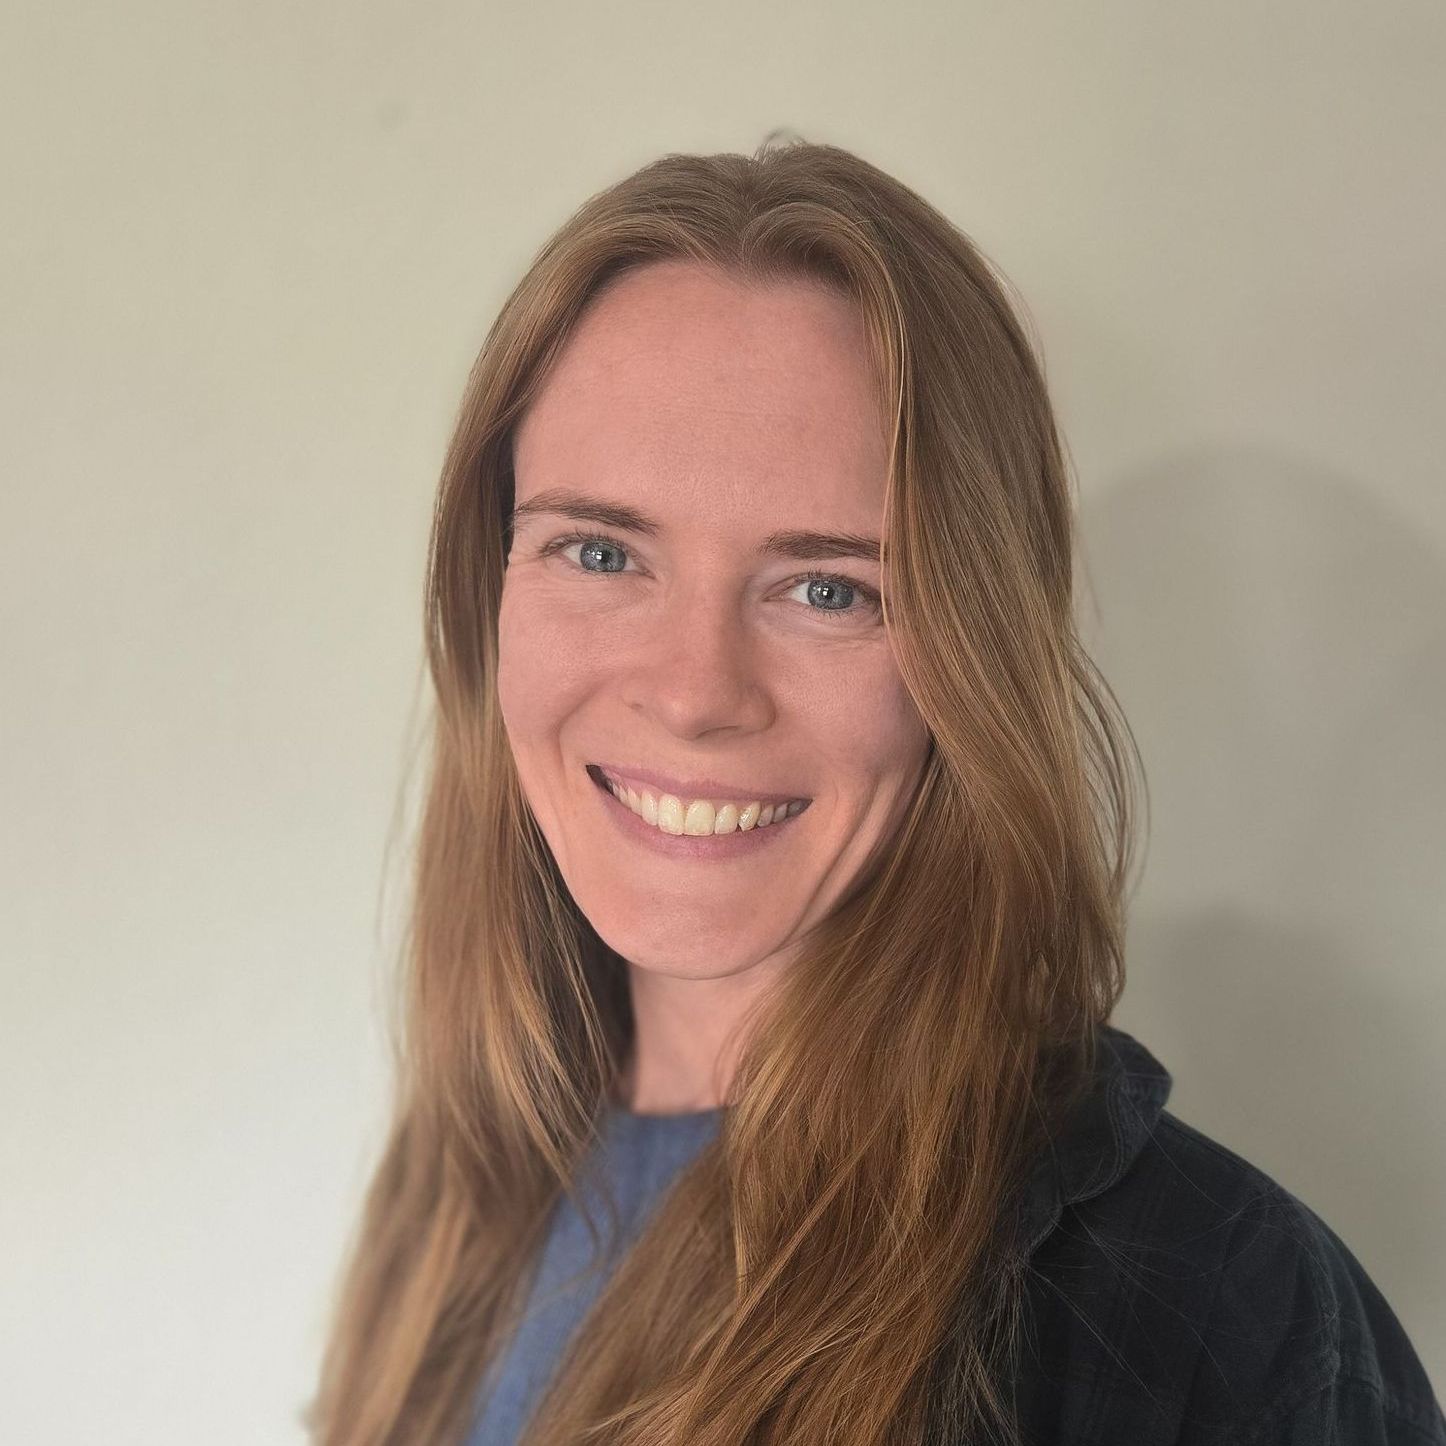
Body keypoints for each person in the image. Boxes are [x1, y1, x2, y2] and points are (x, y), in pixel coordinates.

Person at [305, 137, 1445, 1446]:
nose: (693, 690)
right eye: (602, 548)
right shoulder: (465, 1184)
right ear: (485, 590)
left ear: (967, 656)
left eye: (828, 585)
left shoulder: (1214, 1314)